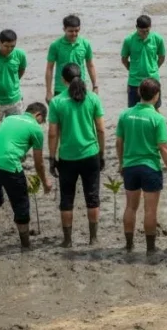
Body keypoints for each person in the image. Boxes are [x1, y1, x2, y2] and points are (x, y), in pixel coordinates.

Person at [116, 78, 167, 254]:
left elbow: (119, 142)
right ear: (157, 95)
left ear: (138, 93)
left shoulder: (125, 115)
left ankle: (129, 245)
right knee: (150, 209)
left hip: (130, 166)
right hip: (150, 167)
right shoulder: (157, 119)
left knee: (130, 207)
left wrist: (121, 163)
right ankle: (150, 248)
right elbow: (164, 149)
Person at [48, 63, 106, 248]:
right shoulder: (93, 99)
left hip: (67, 158)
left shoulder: (57, 102)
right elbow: (101, 129)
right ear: (83, 77)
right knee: (92, 196)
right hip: (90, 154)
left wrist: (51, 158)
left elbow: (52, 133)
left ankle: (67, 240)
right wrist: (102, 153)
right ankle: (93, 238)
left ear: (63, 80)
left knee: (66, 198)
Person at [0, 102, 51, 248]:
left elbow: (8, 140)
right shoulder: (36, 129)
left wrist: (21, 153)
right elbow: (39, 164)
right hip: (9, 163)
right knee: (21, 204)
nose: (41, 124)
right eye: (42, 120)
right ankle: (25, 245)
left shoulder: (10, 119)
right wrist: (45, 183)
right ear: (38, 115)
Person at [45, 14, 97, 104]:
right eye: (71, 31)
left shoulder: (85, 44)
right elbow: (49, 68)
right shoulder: (55, 45)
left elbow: (90, 65)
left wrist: (95, 85)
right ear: (64, 29)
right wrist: (48, 91)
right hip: (60, 88)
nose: (74, 34)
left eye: (76, 30)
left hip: (80, 87)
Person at [121, 15, 166, 109]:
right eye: (141, 31)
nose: (144, 34)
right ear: (136, 27)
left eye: (147, 31)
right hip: (135, 82)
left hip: (153, 80)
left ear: (150, 27)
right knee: (133, 109)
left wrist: (153, 68)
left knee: (155, 108)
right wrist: (132, 69)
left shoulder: (158, 39)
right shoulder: (129, 40)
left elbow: (161, 57)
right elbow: (124, 59)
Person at [0, 29, 27, 118]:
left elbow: (21, 70)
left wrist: (13, 83)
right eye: (6, 46)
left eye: (12, 46)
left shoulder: (20, 55)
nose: (9, 49)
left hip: (15, 101)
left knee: (16, 130)